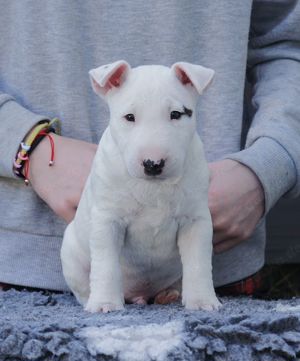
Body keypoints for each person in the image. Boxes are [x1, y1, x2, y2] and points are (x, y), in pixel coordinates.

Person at [0, 1, 299, 294]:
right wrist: (25, 144)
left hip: (213, 261)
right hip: (25, 265)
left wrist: (268, 164)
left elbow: (288, 43)